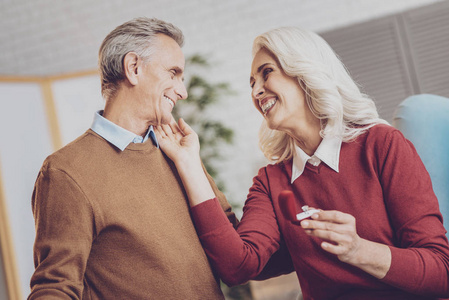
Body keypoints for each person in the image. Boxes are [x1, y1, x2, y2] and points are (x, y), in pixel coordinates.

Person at [156, 26, 449, 299]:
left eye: (266, 73)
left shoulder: (382, 145)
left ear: (305, 72)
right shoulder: (271, 182)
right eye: (252, 83)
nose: (256, 92)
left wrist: (359, 250)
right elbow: (238, 266)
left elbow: (441, 270)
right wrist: (189, 162)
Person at [29, 17, 240, 299]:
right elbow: (55, 288)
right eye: (173, 73)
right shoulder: (65, 172)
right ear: (134, 68)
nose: (183, 91)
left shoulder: (181, 152)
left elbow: (233, 243)